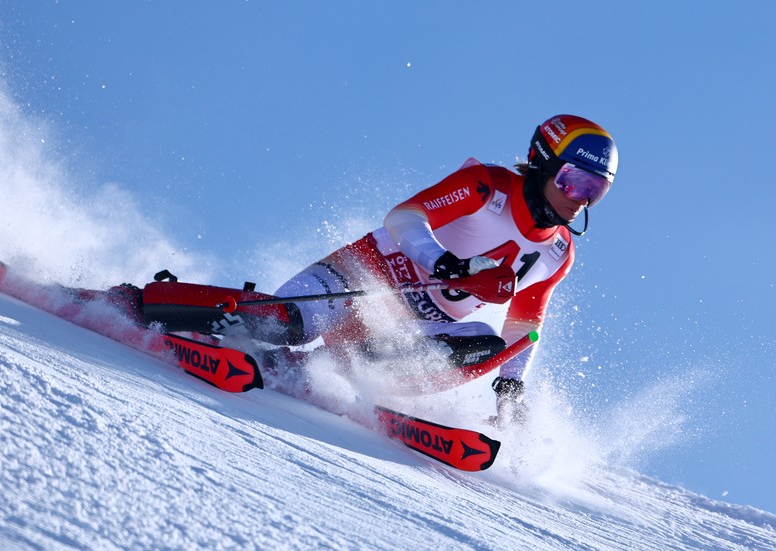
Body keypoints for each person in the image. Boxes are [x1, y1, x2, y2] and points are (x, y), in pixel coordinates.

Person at [139, 114, 619, 426]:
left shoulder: (557, 255)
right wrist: (443, 262)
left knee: (486, 345)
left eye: (594, 191)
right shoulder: (486, 187)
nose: (577, 201)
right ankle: (151, 305)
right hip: (362, 279)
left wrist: (511, 383)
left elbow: (526, 323)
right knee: (283, 322)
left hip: (408, 329)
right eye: (572, 181)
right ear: (541, 163)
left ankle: (321, 370)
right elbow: (404, 218)